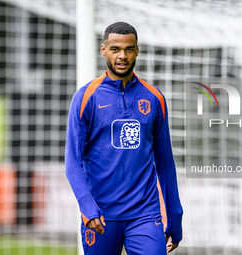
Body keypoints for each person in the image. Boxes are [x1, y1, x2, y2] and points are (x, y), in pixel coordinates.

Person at [65, 21, 183, 255]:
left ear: (137, 50)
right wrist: (87, 206)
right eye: (115, 49)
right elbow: (72, 161)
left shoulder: (154, 98)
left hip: (145, 214)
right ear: (103, 50)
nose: (122, 56)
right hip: (100, 216)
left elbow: (165, 163)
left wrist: (175, 215)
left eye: (129, 49)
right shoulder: (85, 97)